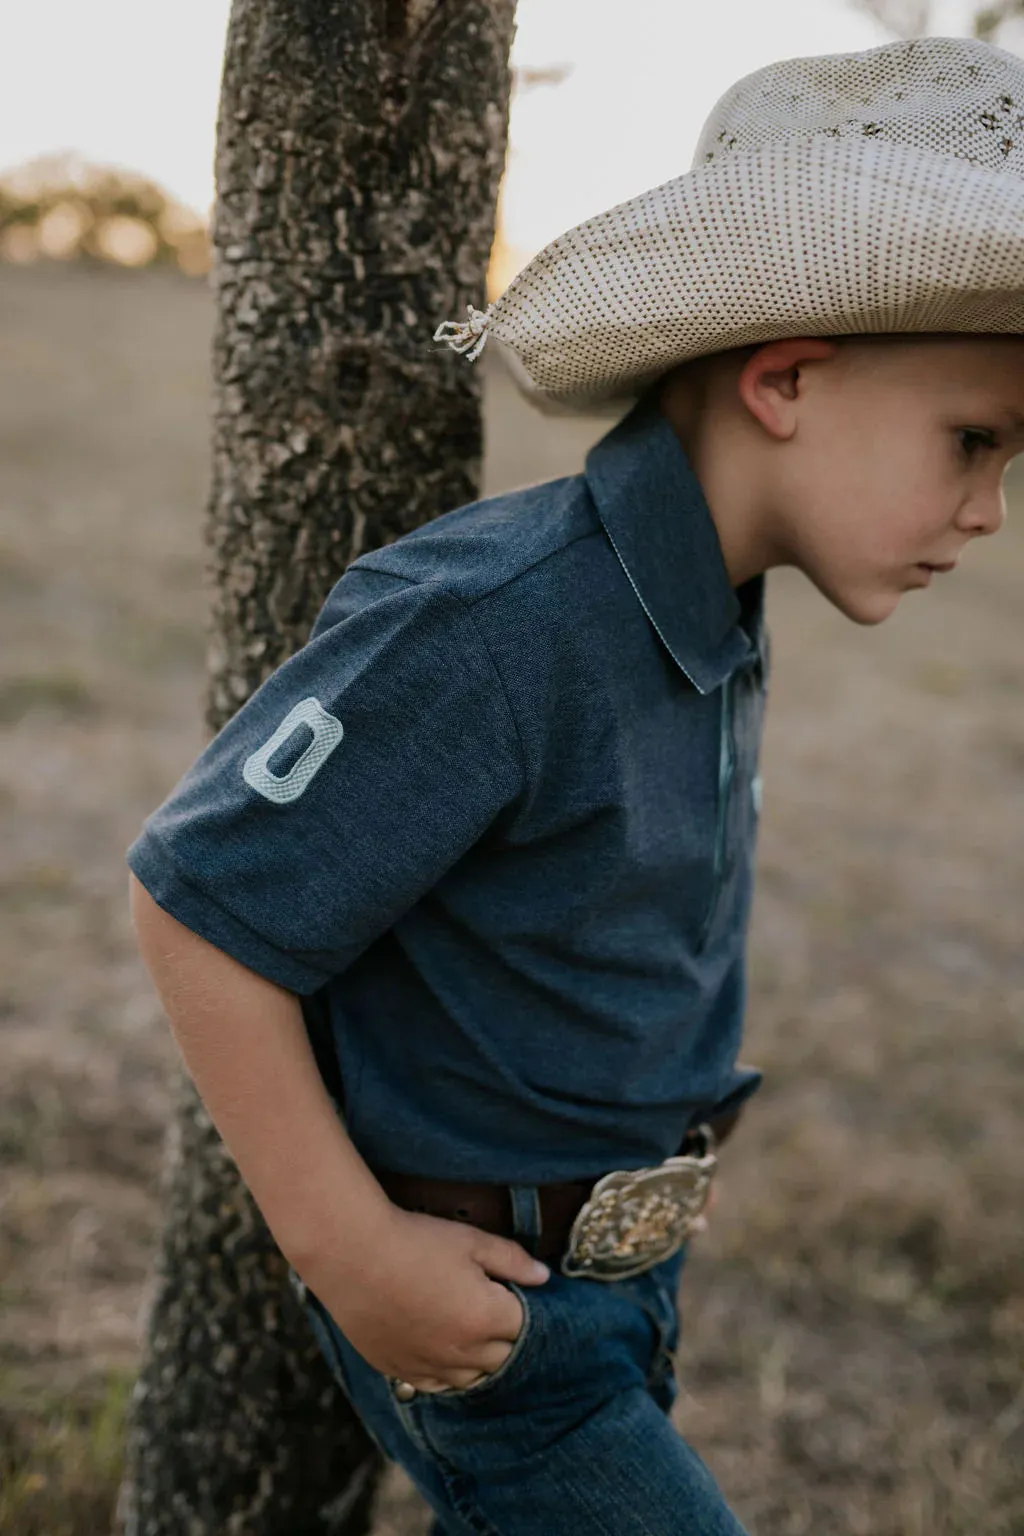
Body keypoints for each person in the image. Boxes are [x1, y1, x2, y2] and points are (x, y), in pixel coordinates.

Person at [127, 34, 1024, 1535]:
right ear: (788, 379)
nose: (990, 513)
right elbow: (199, 907)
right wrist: (351, 1250)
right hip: (480, 1312)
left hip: (617, 1281)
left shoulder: (717, 608)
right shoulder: (507, 620)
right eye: (974, 443)